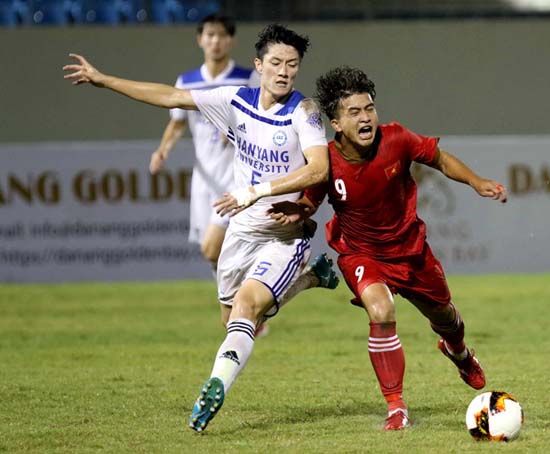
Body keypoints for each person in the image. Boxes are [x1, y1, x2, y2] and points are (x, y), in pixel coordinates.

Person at [63, 24, 338, 433]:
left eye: (292, 65)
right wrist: (105, 80)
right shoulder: (233, 99)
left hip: (284, 233)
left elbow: (319, 167)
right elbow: (169, 97)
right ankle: (312, 277)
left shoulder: (306, 111)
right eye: (276, 63)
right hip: (240, 229)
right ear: (259, 65)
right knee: (234, 320)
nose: (284, 72)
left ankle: (212, 392)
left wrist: (256, 190)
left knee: (247, 308)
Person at [268, 66, 508, 431]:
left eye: (369, 109)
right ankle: (396, 407)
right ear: (335, 123)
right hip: (360, 253)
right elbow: (310, 201)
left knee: (444, 315)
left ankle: (459, 352)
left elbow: (440, 159)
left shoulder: (396, 138)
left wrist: (476, 182)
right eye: (354, 112)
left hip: (410, 250)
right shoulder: (326, 161)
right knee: (381, 311)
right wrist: (297, 210)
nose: (366, 118)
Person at [148, 14, 272, 336]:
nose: (215, 41)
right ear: (200, 39)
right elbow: (177, 122)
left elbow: (262, 119)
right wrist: (162, 151)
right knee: (214, 254)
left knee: (211, 248)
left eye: (221, 35)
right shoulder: (186, 81)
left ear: (231, 40)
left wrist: (235, 129)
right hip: (204, 179)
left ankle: (244, 307)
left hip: (237, 177)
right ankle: (247, 310)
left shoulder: (247, 79)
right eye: (209, 35)